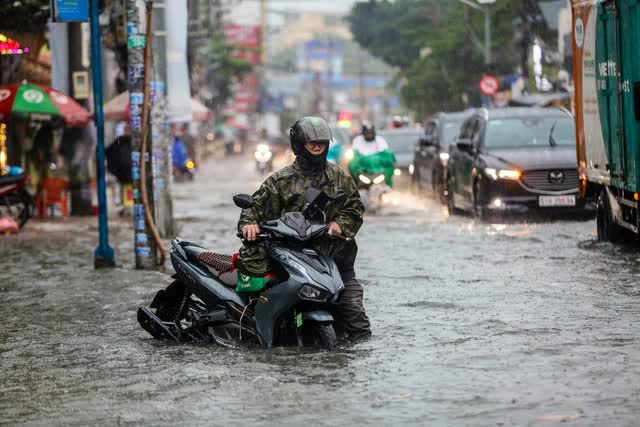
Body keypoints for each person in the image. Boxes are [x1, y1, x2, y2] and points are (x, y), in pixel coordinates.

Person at [237, 116, 371, 338]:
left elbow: (355, 207)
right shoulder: (280, 181)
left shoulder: (338, 176)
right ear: (299, 146)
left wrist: (339, 224)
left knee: (357, 321)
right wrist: (250, 224)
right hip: (292, 263)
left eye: (322, 144)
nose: (318, 148)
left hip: (334, 263)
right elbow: (255, 206)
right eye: (312, 144)